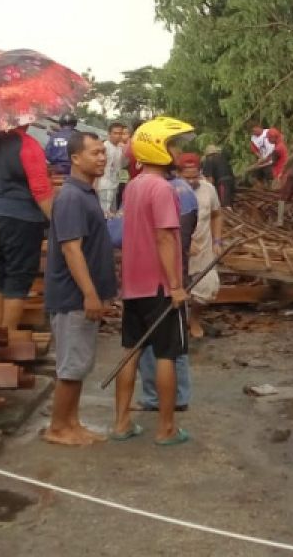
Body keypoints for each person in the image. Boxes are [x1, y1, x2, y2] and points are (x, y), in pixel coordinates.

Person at [113, 116, 195, 446]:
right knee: (166, 355)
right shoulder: (162, 189)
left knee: (130, 351)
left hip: (133, 284)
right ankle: (166, 428)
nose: (177, 151)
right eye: (173, 145)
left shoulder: (133, 186)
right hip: (159, 286)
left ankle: (121, 423)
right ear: (158, 148)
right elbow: (164, 239)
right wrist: (175, 285)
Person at [42, 132, 114, 447]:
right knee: (71, 365)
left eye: (103, 152)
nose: (102, 157)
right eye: (95, 153)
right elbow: (72, 250)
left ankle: (72, 422)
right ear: (75, 158)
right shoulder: (71, 197)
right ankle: (58, 427)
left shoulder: (86, 194)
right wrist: (89, 293)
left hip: (81, 294)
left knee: (79, 362)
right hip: (72, 295)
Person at [0, 125, 52, 338]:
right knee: (18, 276)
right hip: (20, 216)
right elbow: (40, 188)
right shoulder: (28, 144)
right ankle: (8, 335)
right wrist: (58, 220)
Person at [136, 166, 198, 413]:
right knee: (169, 340)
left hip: (159, 276)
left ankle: (166, 397)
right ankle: (171, 396)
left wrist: (174, 284)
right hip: (167, 274)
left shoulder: (151, 188)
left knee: (159, 342)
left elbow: (170, 239)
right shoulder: (180, 191)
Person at [179, 153, 222, 338]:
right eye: (186, 177)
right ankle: (177, 325)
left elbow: (217, 214)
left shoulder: (208, 189)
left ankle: (194, 319)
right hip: (177, 252)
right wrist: (186, 242)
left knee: (208, 288)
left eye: (194, 176)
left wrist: (217, 240)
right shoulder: (170, 190)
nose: (190, 181)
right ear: (177, 173)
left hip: (203, 250)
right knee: (177, 291)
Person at [96, 122, 127, 216]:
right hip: (104, 184)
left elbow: (122, 165)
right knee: (104, 213)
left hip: (114, 184)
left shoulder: (119, 148)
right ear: (109, 134)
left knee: (112, 212)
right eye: (115, 133)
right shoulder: (104, 147)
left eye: (120, 133)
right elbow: (97, 165)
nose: (118, 136)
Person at [115, 125, 132, 211]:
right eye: (121, 133)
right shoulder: (117, 146)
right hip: (117, 175)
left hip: (126, 175)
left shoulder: (130, 146)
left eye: (125, 133)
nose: (123, 136)